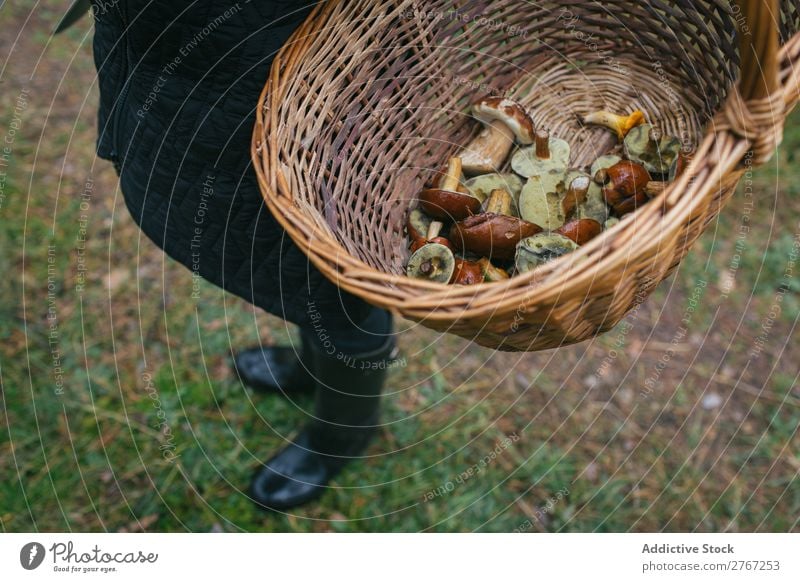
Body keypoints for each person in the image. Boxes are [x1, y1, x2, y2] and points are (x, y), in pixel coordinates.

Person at [87, 0, 396, 510]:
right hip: (172, 66)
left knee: (337, 277)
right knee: (289, 266)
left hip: (289, 73)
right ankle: (308, 365)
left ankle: (342, 437)